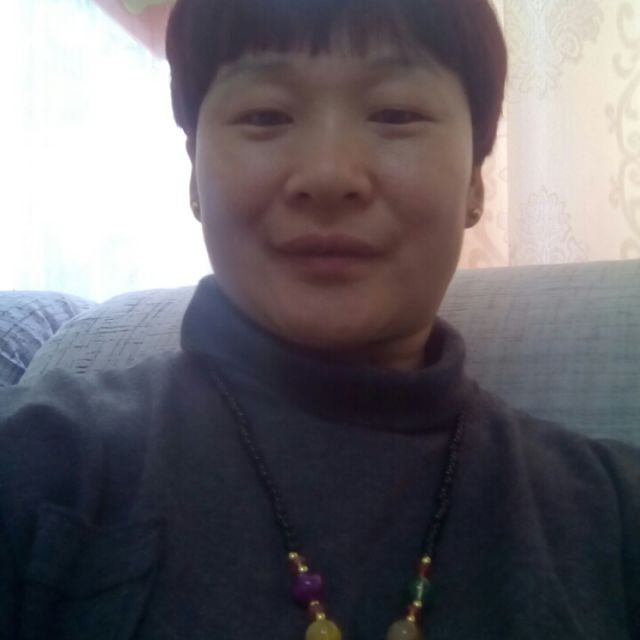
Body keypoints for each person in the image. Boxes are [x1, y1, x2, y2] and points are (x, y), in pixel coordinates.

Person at [0, 0, 638, 638]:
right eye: (265, 116)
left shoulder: (610, 514)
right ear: (194, 174)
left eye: (395, 114)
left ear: (475, 180)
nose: (329, 175)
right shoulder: (46, 457)